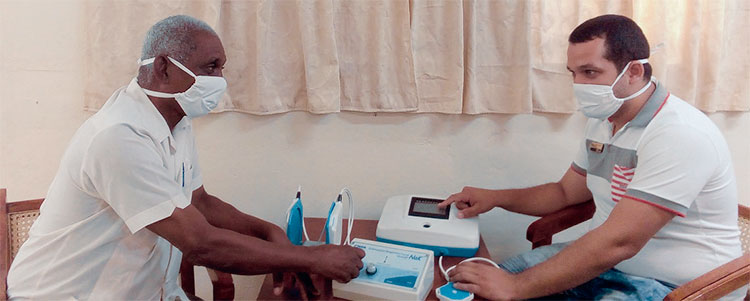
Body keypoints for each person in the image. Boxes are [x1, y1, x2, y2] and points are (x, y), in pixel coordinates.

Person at [6, 15, 364, 300]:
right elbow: (201, 243)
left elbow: (200, 202)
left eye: (221, 67)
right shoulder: (117, 137)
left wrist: (268, 231)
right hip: (68, 294)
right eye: (210, 67)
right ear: (163, 68)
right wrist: (313, 257)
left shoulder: (176, 121)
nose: (219, 80)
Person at [440, 14, 744, 300]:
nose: (579, 86)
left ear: (634, 71)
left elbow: (621, 241)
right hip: (605, 262)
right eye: (574, 74)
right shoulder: (604, 120)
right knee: (475, 285)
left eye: (590, 72)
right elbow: (564, 193)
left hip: (677, 285)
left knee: (508, 286)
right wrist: (494, 197)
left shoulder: (680, 133)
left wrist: (517, 287)